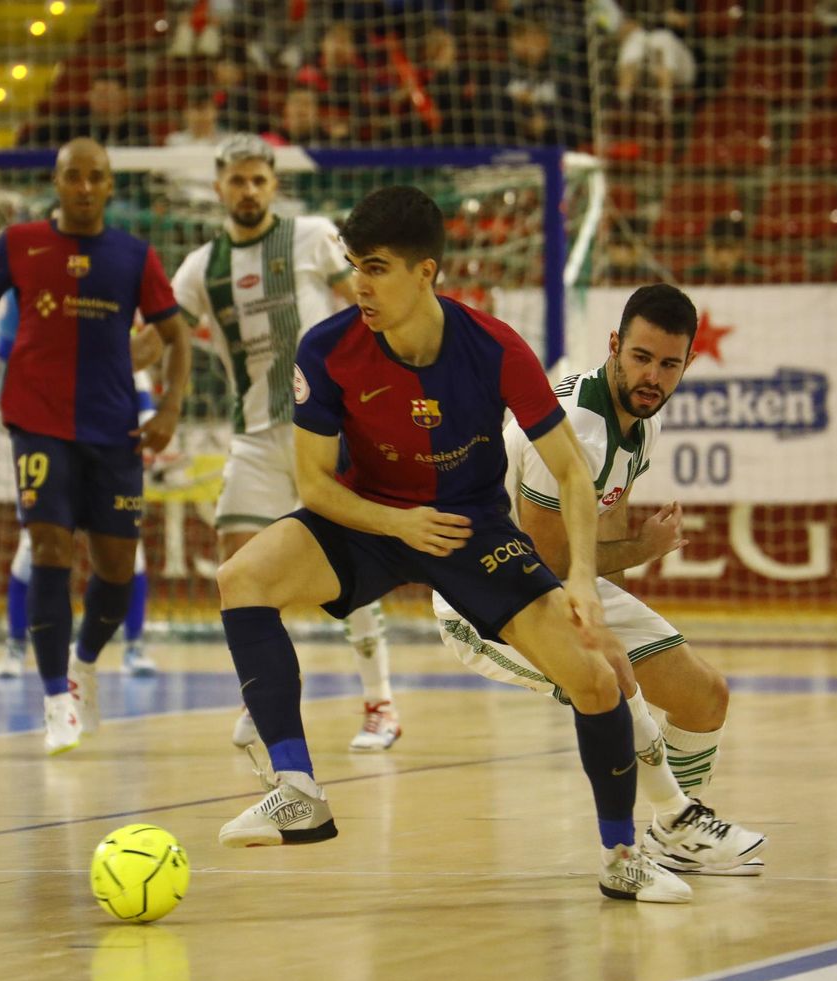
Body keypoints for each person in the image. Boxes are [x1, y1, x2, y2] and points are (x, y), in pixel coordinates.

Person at [212, 184, 764, 903]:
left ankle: (622, 855)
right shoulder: (326, 350)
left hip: (471, 531)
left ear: (426, 273)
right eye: (354, 265)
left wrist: (587, 582)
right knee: (241, 577)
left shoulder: (495, 347)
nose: (360, 284)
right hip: (369, 516)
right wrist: (397, 523)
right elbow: (314, 486)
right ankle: (297, 788)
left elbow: (570, 469)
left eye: (376, 267)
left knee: (597, 678)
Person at [434, 283, 762, 876]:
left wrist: (630, 548)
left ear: (688, 364)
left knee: (704, 696)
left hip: (553, 582)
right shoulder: (577, 427)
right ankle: (674, 820)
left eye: (668, 364)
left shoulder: (643, 424)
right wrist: (645, 548)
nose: (652, 377)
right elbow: (548, 561)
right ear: (614, 346)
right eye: (640, 357)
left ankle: (675, 831)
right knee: (613, 674)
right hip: (484, 596)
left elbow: (593, 543)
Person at [0, 137, 192, 755]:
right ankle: (55, 700)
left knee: (116, 567)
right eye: (73, 176)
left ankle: (83, 664)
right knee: (49, 547)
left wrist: (169, 407)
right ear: (57, 182)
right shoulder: (19, 243)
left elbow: (177, 335)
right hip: (37, 423)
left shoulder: (134, 256)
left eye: (96, 177)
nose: (84, 187)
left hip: (114, 429)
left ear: (111, 186)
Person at [170, 133, 403, 752]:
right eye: (236, 180)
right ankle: (264, 697)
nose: (247, 190)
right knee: (237, 567)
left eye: (258, 179)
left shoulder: (310, 235)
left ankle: (380, 702)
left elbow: (363, 297)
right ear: (219, 186)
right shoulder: (200, 268)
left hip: (321, 429)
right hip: (252, 433)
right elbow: (163, 335)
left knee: (347, 568)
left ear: (273, 184)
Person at [0, 288, 166, 682]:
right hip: (48, 439)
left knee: (127, 552)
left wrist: (149, 416)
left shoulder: (106, 295)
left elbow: (132, 368)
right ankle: (16, 647)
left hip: (107, 445)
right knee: (34, 547)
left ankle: (133, 647)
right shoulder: (25, 296)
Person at [683, 216, 764, 285]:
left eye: (730, 248)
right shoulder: (688, 276)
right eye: (717, 247)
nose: (723, 255)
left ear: (741, 249)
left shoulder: (757, 276)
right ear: (706, 247)